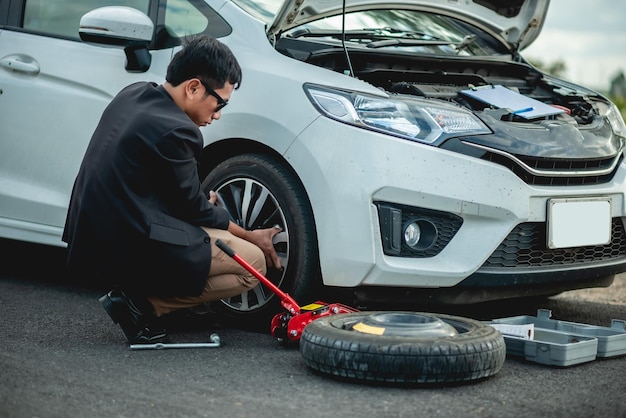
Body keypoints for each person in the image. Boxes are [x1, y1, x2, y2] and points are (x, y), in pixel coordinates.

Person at [62, 36, 281, 344]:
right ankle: (144, 305)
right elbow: (191, 207)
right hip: (129, 244)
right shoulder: (180, 131)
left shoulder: (134, 93)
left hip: (93, 234)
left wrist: (203, 206)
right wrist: (248, 234)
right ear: (193, 87)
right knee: (253, 263)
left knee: (212, 222)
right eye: (220, 103)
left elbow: (152, 184)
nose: (218, 114)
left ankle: (157, 297)